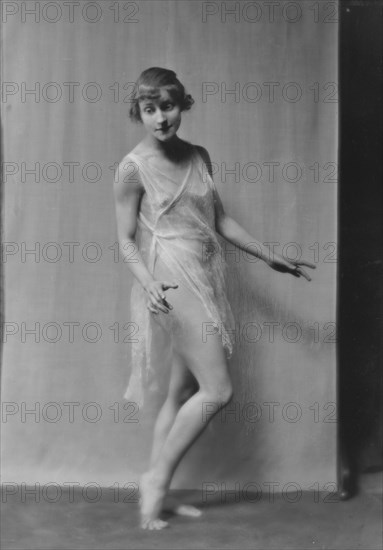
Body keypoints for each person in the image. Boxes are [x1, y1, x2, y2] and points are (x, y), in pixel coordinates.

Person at [113, 67, 315, 530]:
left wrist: (270, 257)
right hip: (170, 280)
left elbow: (218, 220)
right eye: (149, 110)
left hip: (205, 274)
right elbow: (125, 239)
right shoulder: (132, 167)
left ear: (183, 104)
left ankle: (157, 495)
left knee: (182, 392)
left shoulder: (200, 155)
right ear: (138, 113)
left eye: (168, 106)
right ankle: (156, 480)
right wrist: (147, 282)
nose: (161, 118)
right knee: (218, 390)